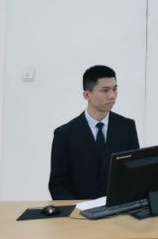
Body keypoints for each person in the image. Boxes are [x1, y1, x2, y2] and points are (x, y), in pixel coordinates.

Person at [48, 65, 139, 200]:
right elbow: (58, 185)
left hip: (119, 208)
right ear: (87, 95)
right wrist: (77, 208)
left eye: (114, 89)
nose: (112, 96)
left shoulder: (127, 127)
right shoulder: (64, 134)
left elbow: (134, 172)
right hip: (80, 210)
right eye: (105, 90)